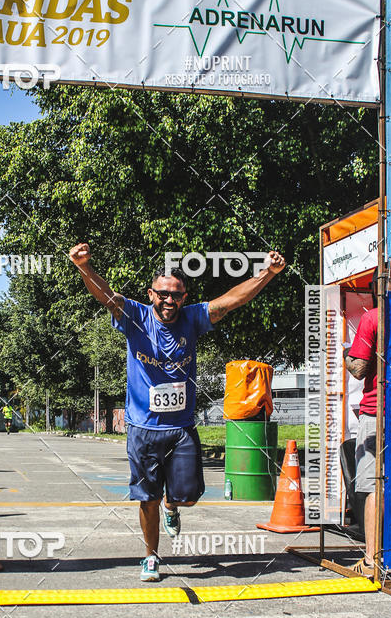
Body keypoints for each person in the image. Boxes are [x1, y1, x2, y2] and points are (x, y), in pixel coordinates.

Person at [69, 242, 286, 581]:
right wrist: (84, 267)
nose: (169, 301)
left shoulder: (192, 318)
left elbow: (232, 300)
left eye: (177, 295)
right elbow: (106, 296)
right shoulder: (135, 316)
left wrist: (267, 273)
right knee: (147, 498)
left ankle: (174, 507)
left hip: (181, 428)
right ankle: (151, 557)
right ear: (150, 293)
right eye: (163, 294)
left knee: (186, 496)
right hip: (142, 428)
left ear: (185, 297)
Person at [344, 264, 391, 577]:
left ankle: (372, 560)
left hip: (377, 412)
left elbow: (359, 369)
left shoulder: (373, 317)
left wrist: (347, 355)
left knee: (373, 486)